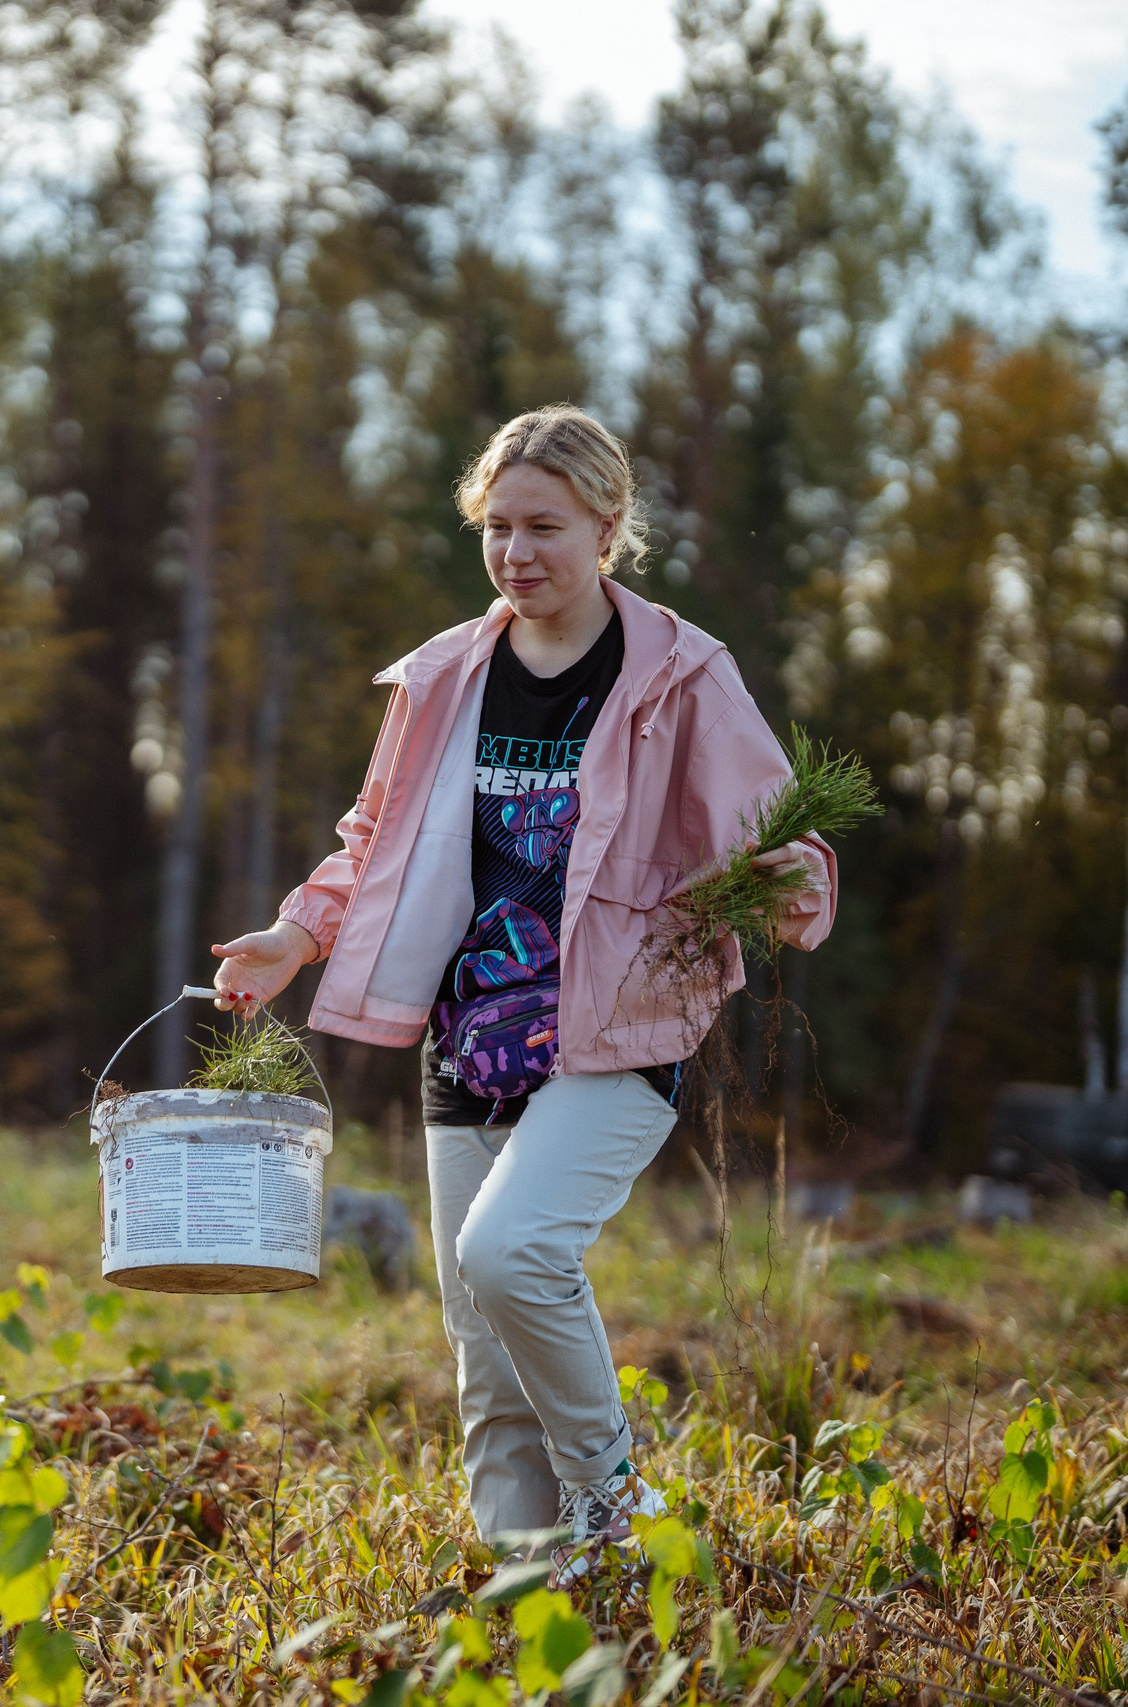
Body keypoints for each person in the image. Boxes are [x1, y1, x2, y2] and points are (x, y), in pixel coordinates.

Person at [209, 405, 836, 1584]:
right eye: (496, 527)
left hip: (620, 1033)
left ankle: (612, 1496)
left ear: (608, 526)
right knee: (478, 1340)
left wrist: (789, 884)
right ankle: (533, 1586)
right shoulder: (446, 676)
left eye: (543, 525)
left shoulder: (683, 676)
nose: (516, 553)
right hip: (469, 1039)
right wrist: (296, 935)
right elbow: (375, 836)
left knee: (511, 1253)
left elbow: (779, 833)